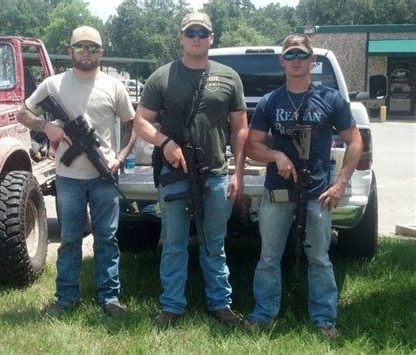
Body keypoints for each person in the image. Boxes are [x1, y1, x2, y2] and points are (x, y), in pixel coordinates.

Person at [134, 12, 248, 329]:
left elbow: (240, 128)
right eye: (190, 32)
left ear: (211, 37)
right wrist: (165, 143)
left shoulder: (229, 77)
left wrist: (237, 173)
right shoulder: (162, 77)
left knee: (214, 243)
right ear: (181, 38)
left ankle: (221, 305)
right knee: (173, 244)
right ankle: (171, 307)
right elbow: (140, 122)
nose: (196, 38)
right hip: (174, 176)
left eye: (202, 32)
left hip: (215, 174)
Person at [244, 34, 363, 337]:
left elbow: (355, 141)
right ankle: (263, 313)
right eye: (290, 55)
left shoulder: (331, 99)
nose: (296, 60)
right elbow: (252, 146)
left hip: (317, 194)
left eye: (302, 55)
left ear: (313, 61)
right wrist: (276, 155)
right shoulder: (271, 102)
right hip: (277, 192)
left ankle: (325, 319)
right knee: (269, 257)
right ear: (282, 61)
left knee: (320, 259)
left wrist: (340, 185)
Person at [16, 26, 136, 317]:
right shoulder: (54, 84)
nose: (86, 52)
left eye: (93, 47)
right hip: (68, 178)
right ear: (70, 51)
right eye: (80, 47)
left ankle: (110, 298)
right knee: (70, 239)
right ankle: (66, 298)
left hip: (105, 176)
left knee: (107, 238)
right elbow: (23, 113)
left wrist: (120, 157)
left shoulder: (114, 86)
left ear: (101, 53)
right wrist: (48, 127)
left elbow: (132, 124)